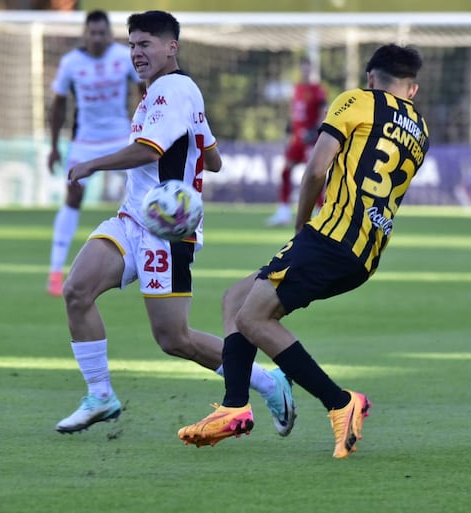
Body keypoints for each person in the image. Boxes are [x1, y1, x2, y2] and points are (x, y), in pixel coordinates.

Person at [179, 44, 430, 458]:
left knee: (252, 317)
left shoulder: (356, 100)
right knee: (236, 298)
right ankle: (235, 406)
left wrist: (301, 226)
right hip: (366, 251)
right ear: (413, 89)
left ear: (371, 79)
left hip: (330, 235)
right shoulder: (420, 128)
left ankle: (339, 402)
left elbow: (318, 167)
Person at [55, 10, 295, 437]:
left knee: (174, 339)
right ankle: (100, 395)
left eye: (145, 44)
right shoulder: (167, 93)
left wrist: (92, 163)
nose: (135, 53)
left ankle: (266, 380)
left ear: (172, 47)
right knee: (77, 290)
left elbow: (149, 151)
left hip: (166, 232)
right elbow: (215, 160)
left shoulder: (172, 88)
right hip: (133, 217)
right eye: (131, 45)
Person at [47, 10, 143, 297]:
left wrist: (142, 126)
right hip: (85, 140)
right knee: (73, 194)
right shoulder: (71, 63)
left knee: (144, 191)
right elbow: (59, 106)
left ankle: (149, 257)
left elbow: (143, 90)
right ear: (85, 34)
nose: (98, 38)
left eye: (103, 33)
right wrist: (53, 146)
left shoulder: (122, 56)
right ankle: (54, 271)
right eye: (93, 33)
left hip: (121, 136)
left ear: (109, 35)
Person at [265, 55, 327, 227]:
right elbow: (294, 114)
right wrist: (289, 130)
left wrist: (315, 131)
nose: (305, 71)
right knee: (285, 171)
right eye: (302, 68)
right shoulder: (297, 89)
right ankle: (283, 212)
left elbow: (323, 112)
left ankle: (320, 210)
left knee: (315, 175)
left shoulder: (318, 90)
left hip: (310, 140)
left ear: (311, 70)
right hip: (296, 140)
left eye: (307, 68)